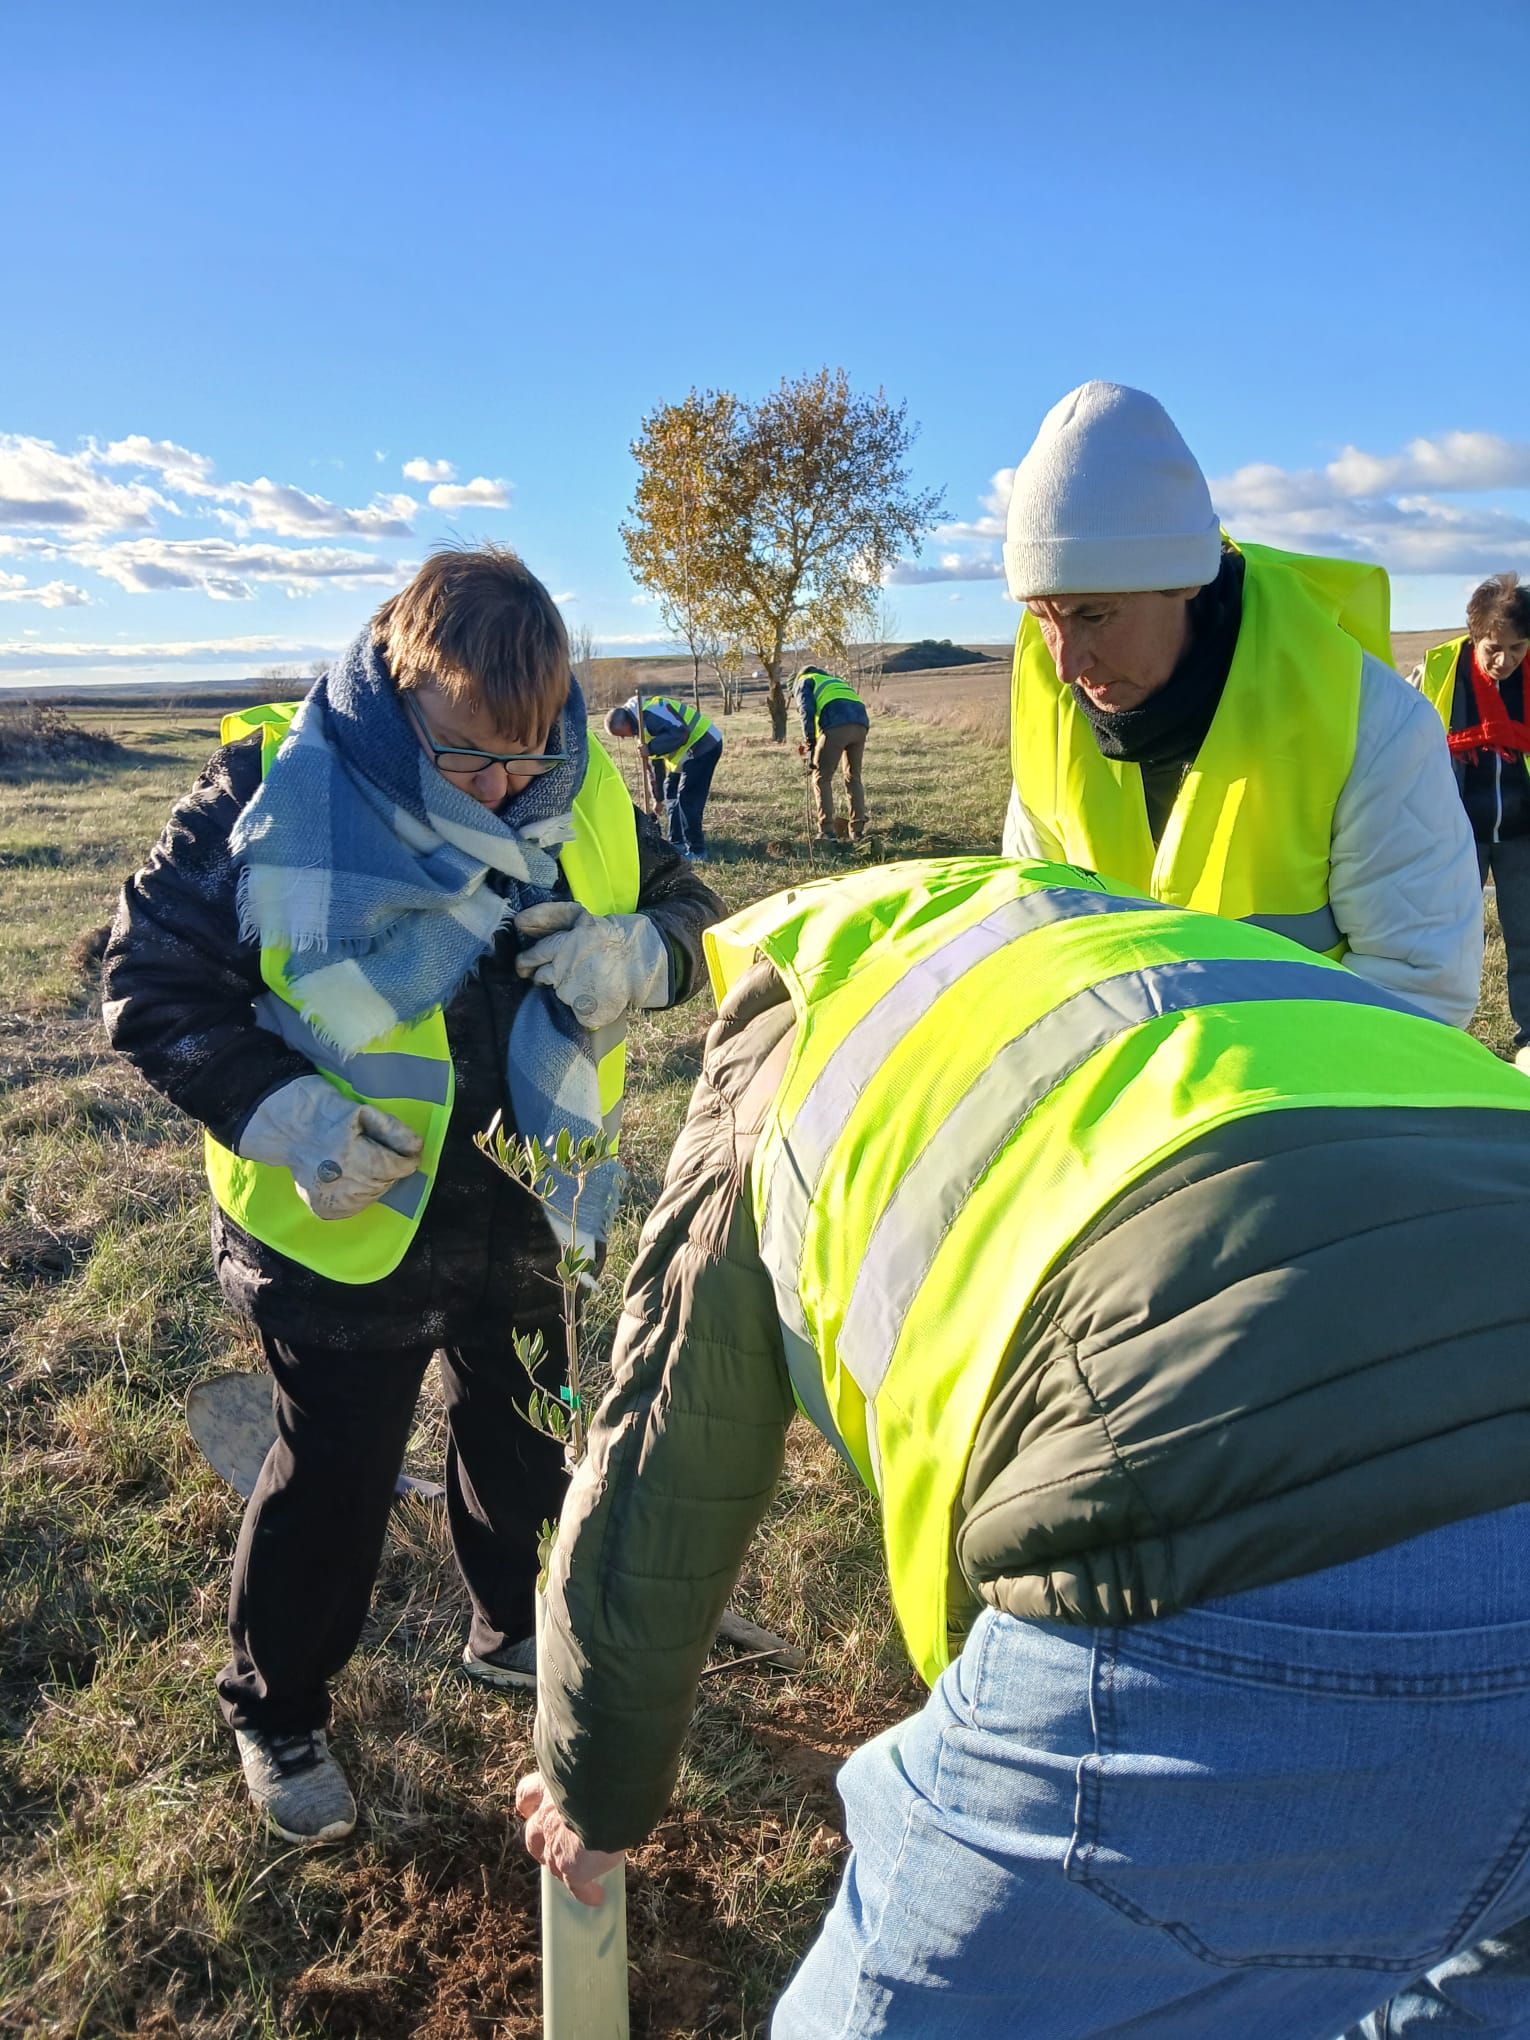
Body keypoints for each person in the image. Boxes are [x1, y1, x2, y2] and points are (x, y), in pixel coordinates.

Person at [515, 854, 1530, 2037]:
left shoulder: (795, 1019)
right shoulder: (1204, 960)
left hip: (1225, 1590)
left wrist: (593, 1786)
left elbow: (662, 1457)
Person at [102, 547, 721, 1846]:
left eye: (528, 753)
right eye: (465, 761)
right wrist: (287, 1115)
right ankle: (277, 1709)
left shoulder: (579, 775)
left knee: (527, 1430)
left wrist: (642, 957)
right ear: (398, 683)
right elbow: (151, 979)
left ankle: (511, 1629)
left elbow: (689, 914)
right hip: (349, 1221)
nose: (506, 789)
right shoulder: (274, 785)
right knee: (334, 1473)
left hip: (530, 1204)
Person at [1003, 381, 1482, 1026]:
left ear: (1183, 583)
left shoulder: (1366, 721)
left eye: (1094, 614)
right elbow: (1035, 937)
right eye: (1044, 617)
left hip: (1299, 1111)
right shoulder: (1050, 706)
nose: (1066, 664)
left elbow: (1419, 990)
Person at [1412, 573, 1530, 1065]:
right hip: (1457, 834)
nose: (1505, 661)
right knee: (1450, 941)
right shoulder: (1437, 673)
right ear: (1473, 635)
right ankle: (1445, 1041)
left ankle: (1528, 1041)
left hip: (1523, 833)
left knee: (1527, 937)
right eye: (1493, 649)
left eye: (1519, 649)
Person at [603, 690, 722, 861]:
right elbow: (655, 766)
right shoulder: (640, 730)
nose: (622, 738)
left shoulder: (650, 713)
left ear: (625, 723)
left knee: (687, 799)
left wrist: (650, 748)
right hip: (686, 755)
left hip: (704, 745)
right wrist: (657, 799)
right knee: (670, 793)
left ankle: (696, 851)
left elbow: (680, 733)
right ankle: (676, 842)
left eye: (620, 733)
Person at [796, 661, 869, 845]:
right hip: (861, 724)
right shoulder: (835, 681)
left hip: (836, 725)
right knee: (853, 777)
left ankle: (827, 831)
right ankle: (858, 831)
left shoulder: (805, 680)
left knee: (821, 777)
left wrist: (810, 742)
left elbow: (806, 711)